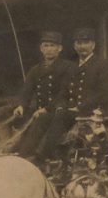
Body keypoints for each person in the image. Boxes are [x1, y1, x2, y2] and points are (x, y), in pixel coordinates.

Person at [13, 31, 74, 160]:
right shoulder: (36, 70)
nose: (49, 49)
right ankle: (15, 154)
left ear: (60, 48)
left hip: (59, 111)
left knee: (41, 121)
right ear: (41, 49)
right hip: (39, 111)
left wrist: (47, 109)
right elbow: (27, 91)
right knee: (15, 120)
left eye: (52, 45)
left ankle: (35, 157)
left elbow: (65, 92)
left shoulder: (68, 67)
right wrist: (21, 106)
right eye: (46, 45)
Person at [66, 26, 108, 124]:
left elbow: (104, 93)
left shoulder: (102, 64)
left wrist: (79, 107)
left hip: (93, 114)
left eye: (86, 43)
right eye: (79, 43)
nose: (82, 46)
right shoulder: (71, 66)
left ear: (93, 45)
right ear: (74, 46)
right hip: (71, 113)